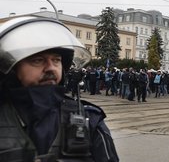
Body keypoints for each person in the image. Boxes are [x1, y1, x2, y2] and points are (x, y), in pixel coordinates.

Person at [0, 16, 119, 161]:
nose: (51, 68)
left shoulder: (88, 118)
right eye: (38, 60)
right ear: (12, 69)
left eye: (56, 60)